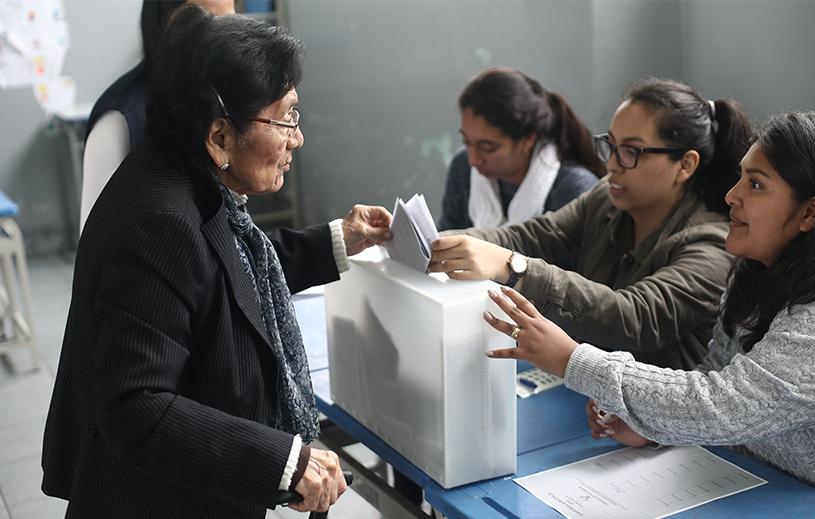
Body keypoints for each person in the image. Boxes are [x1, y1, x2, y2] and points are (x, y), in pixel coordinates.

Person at [42, 7, 392, 517]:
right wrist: (284, 461)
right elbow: (137, 406)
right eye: (285, 116)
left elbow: (226, 274)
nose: (297, 137)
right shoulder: (159, 222)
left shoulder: (181, 176)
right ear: (220, 136)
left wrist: (339, 239)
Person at [482, 111, 815, 486]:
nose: (731, 195)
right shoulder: (752, 273)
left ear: (808, 212)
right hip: (748, 482)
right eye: (740, 177)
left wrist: (571, 359)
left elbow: (724, 404)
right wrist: (655, 429)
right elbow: (713, 378)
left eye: (755, 185)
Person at [430, 78, 753, 370]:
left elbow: (634, 317)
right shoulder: (605, 199)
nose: (612, 163)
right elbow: (533, 236)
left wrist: (516, 268)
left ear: (685, 164)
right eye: (611, 145)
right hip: (593, 393)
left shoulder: (711, 244)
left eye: (631, 151)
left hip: (659, 424)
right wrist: (425, 238)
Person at [81, 0, 236, 230]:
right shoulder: (120, 119)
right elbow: (94, 239)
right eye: (208, 20)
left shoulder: (216, 97)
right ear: (165, 23)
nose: (224, 34)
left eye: (230, 20)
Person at [438, 67, 604, 231]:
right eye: (467, 142)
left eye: (488, 147)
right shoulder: (462, 168)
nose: (473, 160)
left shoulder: (573, 189)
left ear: (528, 140)